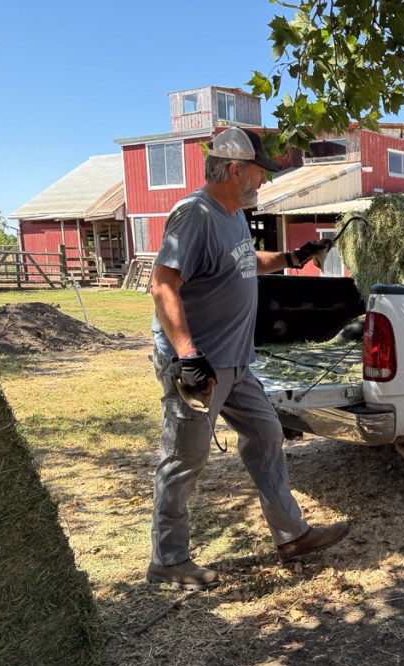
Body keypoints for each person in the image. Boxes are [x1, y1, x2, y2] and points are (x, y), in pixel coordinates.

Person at [146, 126, 348, 590]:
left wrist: (293, 257)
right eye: (259, 173)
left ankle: (291, 535)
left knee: (266, 434)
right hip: (199, 367)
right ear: (236, 170)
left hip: (235, 363)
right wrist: (187, 356)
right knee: (184, 459)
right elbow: (162, 286)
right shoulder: (194, 216)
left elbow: (244, 261)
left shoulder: (234, 213)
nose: (263, 182)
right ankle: (168, 560)